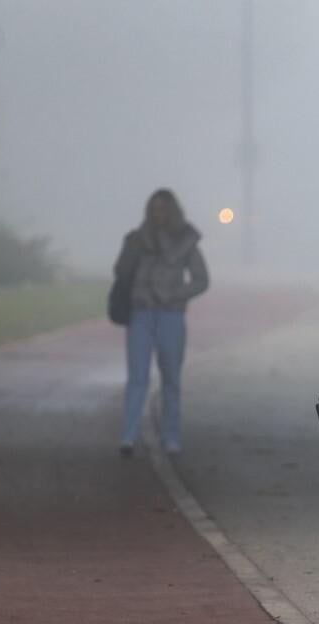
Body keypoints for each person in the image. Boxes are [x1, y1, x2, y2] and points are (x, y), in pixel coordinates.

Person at [113, 188, 209, 458]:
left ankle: (171, 437)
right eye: (153, 209)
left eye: (163, 209)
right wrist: (131, 254)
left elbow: (201, 279)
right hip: (141, 313)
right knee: (137, 377)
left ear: (172, 211)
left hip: (171, 316)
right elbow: (120, 271)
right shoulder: (136, 239)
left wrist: (175, 295)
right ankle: (128, 437)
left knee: (171, 379)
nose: (158, 214)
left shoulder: (186, 243)